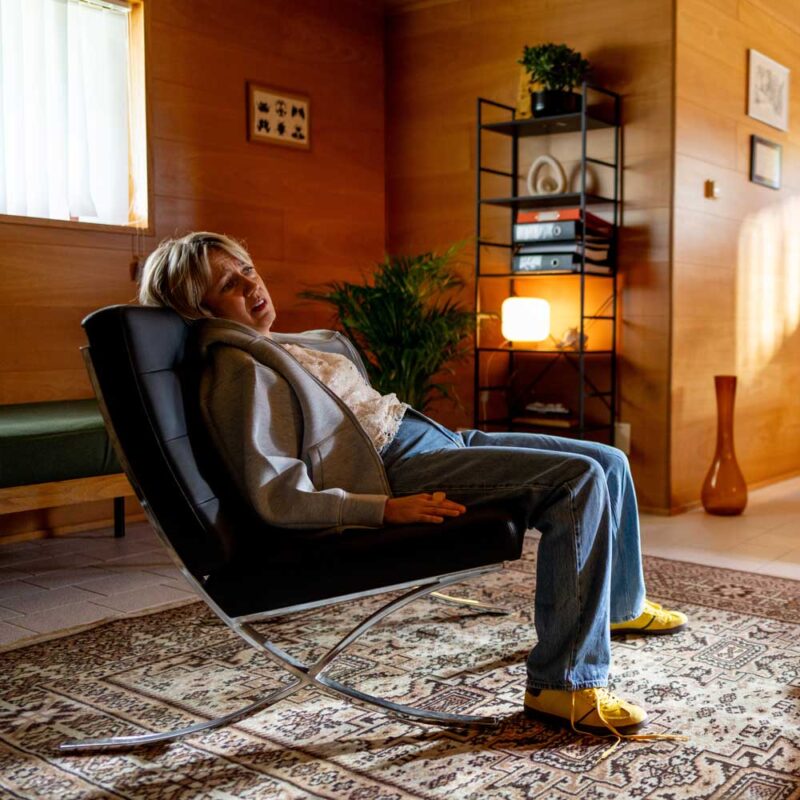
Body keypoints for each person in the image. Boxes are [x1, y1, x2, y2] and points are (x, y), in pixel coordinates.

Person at [138, 231, 688, 749]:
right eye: (229, 283)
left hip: (432, 438)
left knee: (608, 460)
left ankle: (620, 605)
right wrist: (382, 509)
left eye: (247, 269)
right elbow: (276, 491)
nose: (251, 283)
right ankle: (563, 684)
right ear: (198, 309)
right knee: (576, 480)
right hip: (396, 467)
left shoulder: (268, 345)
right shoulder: (237, 369)